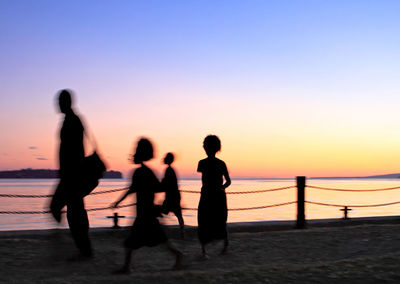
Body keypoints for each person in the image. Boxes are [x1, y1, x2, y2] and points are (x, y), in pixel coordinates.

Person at [112, 138, 183, 274]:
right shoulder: (145, 172)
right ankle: (177, 255)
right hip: (146, 212)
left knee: (132, 242)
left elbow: (132, 189)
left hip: (145, 213)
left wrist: (118, 201)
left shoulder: (141, 172)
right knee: (159, 239)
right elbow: (156, 188)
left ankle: (126, 268)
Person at [50, 89, 92, 259]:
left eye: (60, 101)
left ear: (66, 102)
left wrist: (70, 171)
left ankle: (80, 248)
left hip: (72, 175)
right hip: (70, 174)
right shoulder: (70, 120)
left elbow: (77, 149)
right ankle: (84, 249)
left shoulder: (73, 120)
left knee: (69, 211)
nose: (57, 105)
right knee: (75, 211)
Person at [197, 135, 231, 258]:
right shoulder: (221, 163)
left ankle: (204, 250)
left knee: (204, 220)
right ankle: (224, 246)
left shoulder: (202, 163)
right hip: (217, 195)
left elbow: (227, 181)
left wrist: (218, 188)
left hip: (207, 194)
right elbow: (228, 181)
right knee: (219, 220)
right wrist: (221, 188)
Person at [160, 153, 184, 238]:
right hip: (174, 195)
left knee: (160, 211)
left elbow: (166, 184)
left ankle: (161, 231)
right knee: (178, 215)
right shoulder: (170, 170)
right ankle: (182, 233)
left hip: (171, 196)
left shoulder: (169, 170)